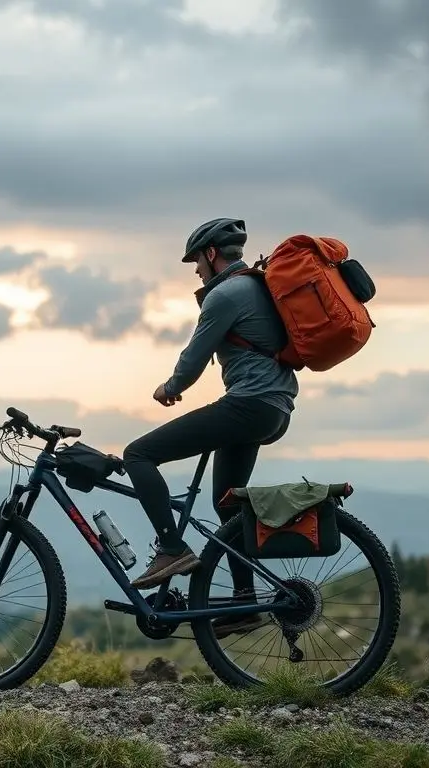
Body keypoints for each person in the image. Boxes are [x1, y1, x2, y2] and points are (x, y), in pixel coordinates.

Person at [122, 217, 299, 637]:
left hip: (249, 405)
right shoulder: (257, 286)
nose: (197, 271)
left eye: (197, 263)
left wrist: (169, 388)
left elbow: (194, 358)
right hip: (274, 409)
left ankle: (171, 547)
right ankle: (244, 603)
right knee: (227, 505)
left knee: (138, 454)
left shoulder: (225, 294)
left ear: (212, 254)